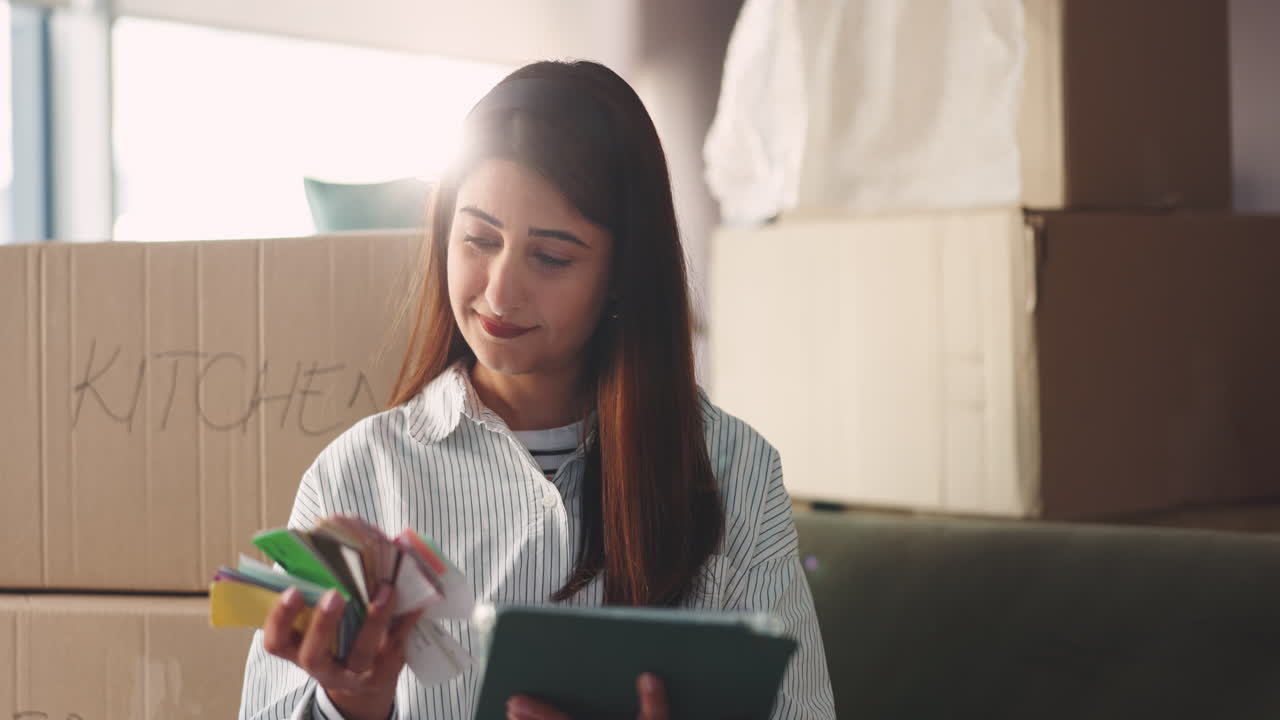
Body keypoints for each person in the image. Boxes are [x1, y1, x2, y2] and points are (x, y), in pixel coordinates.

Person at [239, 59, 836, 720]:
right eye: (477, 239)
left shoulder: (737, 474)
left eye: (551, 257)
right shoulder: (355, 476)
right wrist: (351, 704)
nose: (499, 293)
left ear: (621, 273)